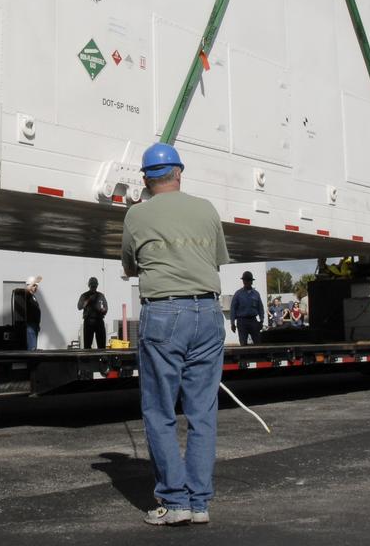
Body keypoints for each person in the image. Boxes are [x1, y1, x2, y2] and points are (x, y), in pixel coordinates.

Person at [121, 142, 228, 526]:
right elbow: (216, 258)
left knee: (160, 410)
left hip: (164, 313)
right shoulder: (206, 209)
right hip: (208, 311)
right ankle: (199, 503)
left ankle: (175, 501)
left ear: (146, 180)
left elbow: (130, 265)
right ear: (179, 172)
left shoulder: (136, 215)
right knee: (202, 413)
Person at [229, 271, 264, 345]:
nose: (246, 282)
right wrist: (232, 323)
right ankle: (244, 356)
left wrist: (261, 320)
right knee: (243, 343)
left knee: (258, 343)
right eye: (244, 280)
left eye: (248, 280)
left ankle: (259, 356)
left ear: (251, 281)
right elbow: (233, 309)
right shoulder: (238, 294)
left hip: (253, 321)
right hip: (242, 322)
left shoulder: (256, 294)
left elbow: (260, 308)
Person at [12, 276, 43, 350]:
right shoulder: (27, 295)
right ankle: (31, 360)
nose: (35, 287)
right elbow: (22, 292)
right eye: (34, 285)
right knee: (32, 346)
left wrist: (38, 324)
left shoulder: (33, 297)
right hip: (30, 325)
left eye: (36, 286)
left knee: (34, 346)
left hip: (35, 324)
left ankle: (33, 360)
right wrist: (31, 284)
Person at [78, 277, 109, 349]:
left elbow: (106, 307)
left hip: (99, 321)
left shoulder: (101, 295)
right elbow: (79, 307)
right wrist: (87, 301)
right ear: (89, 285)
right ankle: (88, 359)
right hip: (88, 321)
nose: (94, 287)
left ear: (97, 286)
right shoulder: (84, 295)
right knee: (87, 345)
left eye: (95, 286)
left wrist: (104, 310)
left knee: (101, 345)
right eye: (92, 286)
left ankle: (101, 359)